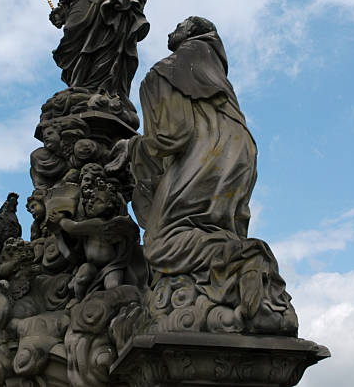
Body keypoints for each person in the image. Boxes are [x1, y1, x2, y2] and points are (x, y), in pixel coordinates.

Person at [106, 17, 297, 332]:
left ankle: (245, 257)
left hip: (205, 155)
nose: (173, 28)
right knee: (212, 228)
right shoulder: (214, 72)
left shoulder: (164, 72)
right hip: (240, 152)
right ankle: (234, 276)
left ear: (191, 33)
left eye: (180, 25)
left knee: (163, 242)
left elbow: (171, 135)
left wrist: (131, 150)